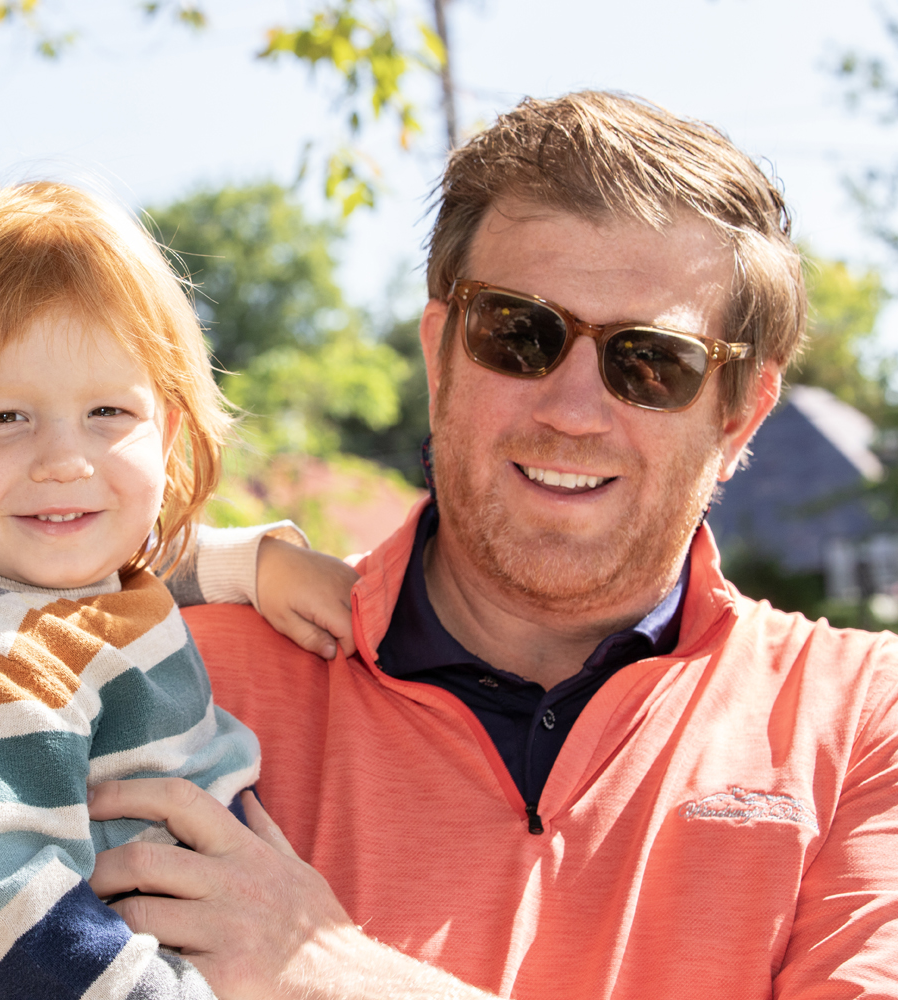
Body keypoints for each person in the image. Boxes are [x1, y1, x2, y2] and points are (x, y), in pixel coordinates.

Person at [84, 92, 898, 999]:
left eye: (651, 363)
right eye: (518, 334)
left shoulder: (865, 720)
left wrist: (327, 972)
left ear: (739, 417)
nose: (571, 411)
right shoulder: (170, 686)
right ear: (440, 357)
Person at [0, 181, 339, 1000]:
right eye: (3, 418)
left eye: (107, 410)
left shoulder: (50, 586)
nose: (64, 460)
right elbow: (5, 916)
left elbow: (137, 569)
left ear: (167, 437)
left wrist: (254, 564)